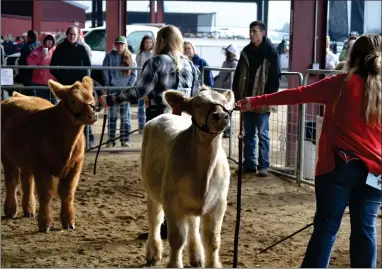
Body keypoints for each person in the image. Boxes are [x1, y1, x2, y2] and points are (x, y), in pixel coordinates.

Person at [236, 34, 382, 268]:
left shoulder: (341, 84)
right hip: (374, 174)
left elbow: (298, 94)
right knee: (365, 231)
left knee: (325, 230)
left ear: (353, 56)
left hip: (339, 168)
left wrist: (255, 101)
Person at [98, 25, 200, 240]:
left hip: (161, 124)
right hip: (186, 125)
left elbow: (139, 91)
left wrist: (111, 99)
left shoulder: (155, 62)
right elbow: (197, 95)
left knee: (160, 176)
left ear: (161, 41)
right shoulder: (191, 65)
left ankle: (164, 227)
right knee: (184, 175)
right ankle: (187, 226)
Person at [232, 20, 281, 177]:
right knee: (248, 133)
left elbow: (275, 76)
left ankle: (263, 165)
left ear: (263, 33)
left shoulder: (271, 52)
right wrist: (237, 94)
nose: (251, 34)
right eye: (250, 31)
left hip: (263, 98)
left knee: (263, 133)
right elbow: (238, 74)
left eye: (254, 31)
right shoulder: (246, 51)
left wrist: (268, 97)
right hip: (247, 98)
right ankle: (249, 163)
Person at [50, 26, 94, 147]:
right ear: (67, 35)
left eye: (74, 35)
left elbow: (87, 67)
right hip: (65, 87)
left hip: (78, 88)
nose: (72, 37)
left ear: (78, 36)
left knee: (83, 111)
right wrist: (62, 77)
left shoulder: (82, 49)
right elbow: (53, 67)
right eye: (70, 34)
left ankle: (88, 139)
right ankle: (61, 140)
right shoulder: (60, 48)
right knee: (64, 113)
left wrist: (82, 83)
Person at [102, 36, 137, 148]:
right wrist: (108, 83)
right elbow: (105, 71)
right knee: (112, 115)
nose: (119, 46)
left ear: (125, 45)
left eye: (122, 44)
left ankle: (124, 139)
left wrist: (129, 86)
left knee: (125, 116)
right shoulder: (109, 57)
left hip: (125, 90)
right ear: (115, 45)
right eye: (117, 44)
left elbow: (134, 73)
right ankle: (111, 139)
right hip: (113, 89)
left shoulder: (130, 57)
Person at [214, 44, 239, 138]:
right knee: (222, 110)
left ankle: (229, 131)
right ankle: (223, 129)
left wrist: (226, 88)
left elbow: (232, 80)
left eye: (228, 52)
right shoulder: (226, 62)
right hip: (220, 91)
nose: (226, 53)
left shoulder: (234, 63)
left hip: (227, 91)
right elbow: (221, 75)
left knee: (229, 111)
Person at [27, 33, 57, 103]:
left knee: (53, 102)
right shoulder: (36, 51)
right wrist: (40, 56)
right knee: (41, 102)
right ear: (43, 41)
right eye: (48, 40)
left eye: (51, 40)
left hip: (53, 82)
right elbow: (30, 63)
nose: (50, 42)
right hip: (39, 82)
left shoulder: (56, 50)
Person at [135, 35, 154, 134]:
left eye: (150, 42)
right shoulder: (139, 55)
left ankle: (149, 126)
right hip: (141, 84)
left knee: (150, 106)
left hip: (151, 85)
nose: (148, 44)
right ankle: (141, 127)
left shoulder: (154, 54)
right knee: (141, 107)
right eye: (147, 42)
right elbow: (137, 70)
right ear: (143, 43)